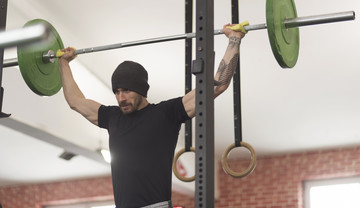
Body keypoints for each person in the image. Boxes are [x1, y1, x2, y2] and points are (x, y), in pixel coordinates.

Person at [58, 24, 245, 208]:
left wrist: (234, 40)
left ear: (141, 90)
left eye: (126, 91)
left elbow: (217, 86)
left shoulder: (166, 114)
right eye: (117, 92)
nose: (121, 98)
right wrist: (63, 63)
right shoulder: (112, 117)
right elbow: (76, 101)